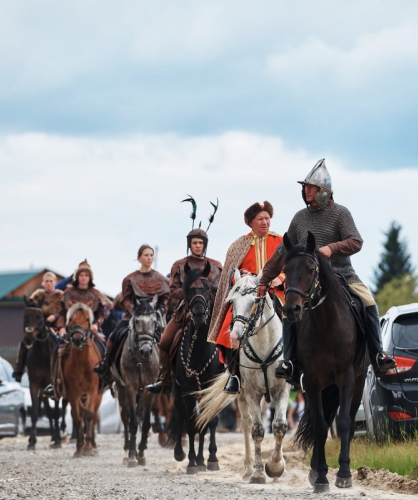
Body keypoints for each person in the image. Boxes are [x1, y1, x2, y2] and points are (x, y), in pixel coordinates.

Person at [257, 159, 396, 380]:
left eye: (310, 186)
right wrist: (264, 280)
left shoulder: (341, 213)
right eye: (304, 187)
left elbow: (356, 241)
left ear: (324, 190)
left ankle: (378, 354)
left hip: (342, 274)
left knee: (368, 301)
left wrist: (332, 248)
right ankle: (289, 361)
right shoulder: (299, 218)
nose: (305, 190)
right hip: (308, 280)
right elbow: (283, 252)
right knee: (289, 309)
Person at [208, 201, 285, 394]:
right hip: (248, 294)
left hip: (275, 292)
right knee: (228, 325)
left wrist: (281, 277)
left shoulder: (280, 241)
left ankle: (296, 365)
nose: (265, 222)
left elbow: (292, 266)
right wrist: (241, 275)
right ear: (251, 222)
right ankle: (234, 374)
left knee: (296, 319)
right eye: (260, 219)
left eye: (267, 218)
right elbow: (231, 273)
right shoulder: (239, 245)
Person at [145, 229, 223, 394]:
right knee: (164, 343)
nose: (197, 246)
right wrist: (189, 292)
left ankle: (232, 377)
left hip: (212, 313)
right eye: (194, 242)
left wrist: (206, 294)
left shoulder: (216, 266)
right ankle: (164, 378)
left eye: (200, 243)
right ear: (190, 244)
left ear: (205, 245)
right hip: (185, 312)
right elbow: (173, 290)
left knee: (232, 339)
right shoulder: (179, 265)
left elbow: (222, 289)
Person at [93, 245, 170, 387]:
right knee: (114, 336)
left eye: (151, 255)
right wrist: (133, 310)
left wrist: (161, 310)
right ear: (139, 258)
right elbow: (126, 299)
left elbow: (165, 298)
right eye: (146, 255)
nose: (149, 258)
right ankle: (107, 367)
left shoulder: (161, 279)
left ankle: (167, 373)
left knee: (167, 341)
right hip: (132, 317)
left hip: (153, 318)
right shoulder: (129, 279)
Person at [46, 259, 110, 400]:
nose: (83, 278)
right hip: (71, 331)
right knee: (56, 352)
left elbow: (101, 314)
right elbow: (62, 313)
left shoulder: (95, 293)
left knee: (104, 347)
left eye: (86, 275)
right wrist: (62, 327)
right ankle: (55, 383)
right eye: (81, 275)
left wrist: (96, 325)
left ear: (90, 278)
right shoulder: (68, 293)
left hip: (90, 331)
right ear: (77, 277)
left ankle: (106, 379)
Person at [12, 271, 64, 382]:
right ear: (43, 283)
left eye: (51, 281)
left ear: (55, 282)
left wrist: (55, 316)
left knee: (63, 344)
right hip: (40, 326)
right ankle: (19, 369)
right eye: (46, 281)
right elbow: (31, 308)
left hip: (56, 326)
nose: (49, 283)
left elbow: (64, 311)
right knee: (25, 342)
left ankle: (62, 373)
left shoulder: (60, 295)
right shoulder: (38, 294)